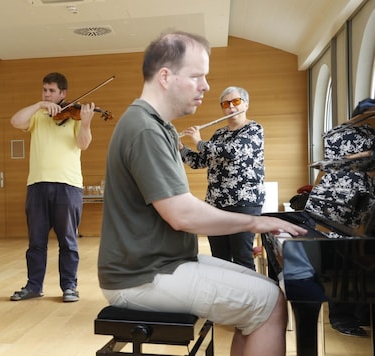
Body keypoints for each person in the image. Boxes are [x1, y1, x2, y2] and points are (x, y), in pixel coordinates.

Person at [98, 31, 308, 356]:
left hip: (164, 263)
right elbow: (182, 215)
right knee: (269, 303)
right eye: (198, 76)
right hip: (141, 277)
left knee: (267, 291)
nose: (207, 87)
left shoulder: (159, 127)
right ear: (166, 77)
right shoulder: (144, 129)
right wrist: (255, 223)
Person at [9, 72, 95, 303]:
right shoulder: (38, 115)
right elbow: (15, 121)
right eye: (44, 90)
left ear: (63, 94)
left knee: (68, 240)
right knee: (36, 241)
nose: (47, 94)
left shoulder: (76, 117)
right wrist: (39, 104)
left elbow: (83, 144)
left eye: (51, 91)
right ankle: (34, 286)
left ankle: (69, 286)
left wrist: (85, 123)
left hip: (68, 185)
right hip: (37, 185)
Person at [179, 87, 265, 270]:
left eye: (236, 102)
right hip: (215, 205)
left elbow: (232, 152)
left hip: (244, 204)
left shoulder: (254, 129)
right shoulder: (219, 134)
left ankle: (249, 298)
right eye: (226, 104)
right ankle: (226, 298)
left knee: (242, 258)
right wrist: (180, 148)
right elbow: (199, 161)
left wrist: (199, 142)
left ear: (246, 104)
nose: (231, 108)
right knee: (220, 259)